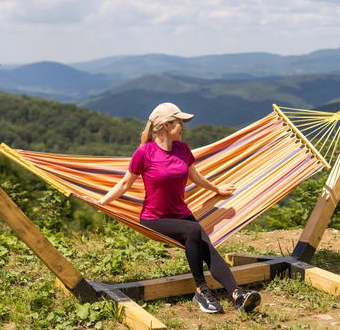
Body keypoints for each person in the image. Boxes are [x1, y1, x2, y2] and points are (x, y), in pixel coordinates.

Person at [95, 102, 261, 313]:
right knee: (193, 230)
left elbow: (195, 176)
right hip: (154, 219)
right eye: (180, 122)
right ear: (165, 125)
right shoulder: (144, 153)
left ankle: (237, 295)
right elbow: (125, 183)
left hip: (181, 214)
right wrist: (102, 202)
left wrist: (216, 189)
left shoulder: (182, 149)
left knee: (207, 248)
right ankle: (201, 290)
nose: (183, 126)